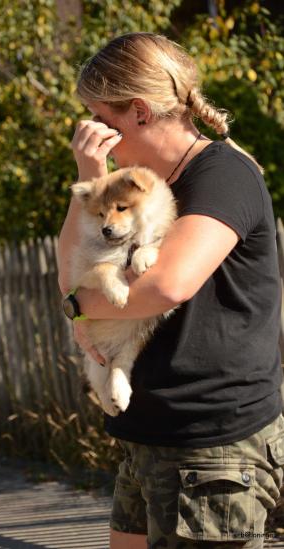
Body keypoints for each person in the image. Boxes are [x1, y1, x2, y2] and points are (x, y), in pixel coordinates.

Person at [57, 32, 284, 549]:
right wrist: (91, 177)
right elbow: (73, 272)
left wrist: (76, 307)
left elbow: (166, 286)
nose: (90, 132)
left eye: (101, 119)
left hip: (212, 445)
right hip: (148, 434)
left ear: (138, 111)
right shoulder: (135, 186)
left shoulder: (221, 175)